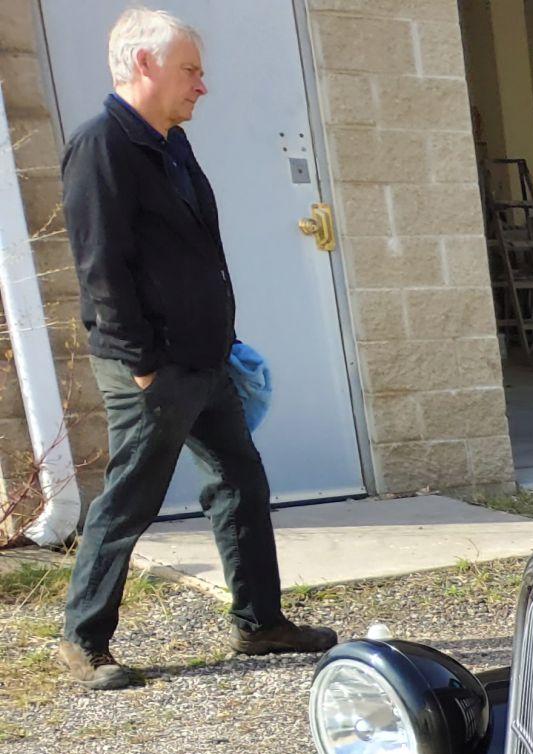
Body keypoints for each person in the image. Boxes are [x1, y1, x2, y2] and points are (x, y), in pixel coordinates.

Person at [55, 7, 333, 691]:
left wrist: (223, 338)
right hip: (153, 365)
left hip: (205, 358)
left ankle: (258, 621)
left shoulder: (170, 144)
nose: (202, 86)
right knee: (133, 496)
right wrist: (144, 365)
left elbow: (192, 253)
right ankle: (83, 639)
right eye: (191, 70)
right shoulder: (103, 148)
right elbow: (101, 266)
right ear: (144, 65)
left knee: (240, 479)